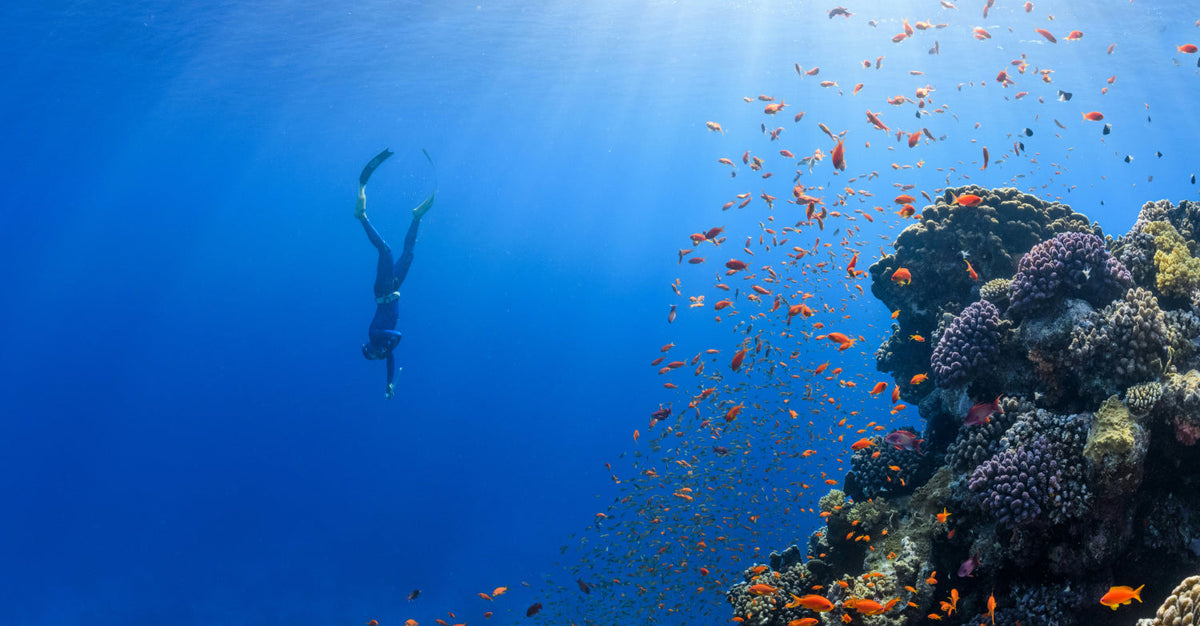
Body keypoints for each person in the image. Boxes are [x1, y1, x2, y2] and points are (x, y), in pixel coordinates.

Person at [355, 148, 435, 398]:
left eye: (376, 354)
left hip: (383, 291)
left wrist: (389, 345)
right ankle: (417, 217)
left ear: (372, 349)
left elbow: (397, 335)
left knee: (386, 251)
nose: (381, 356)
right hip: (395, 289)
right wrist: (389, 385)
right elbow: (390, 363)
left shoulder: (376, 336)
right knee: (408, 254)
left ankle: (361, 216)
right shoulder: (384, 349)